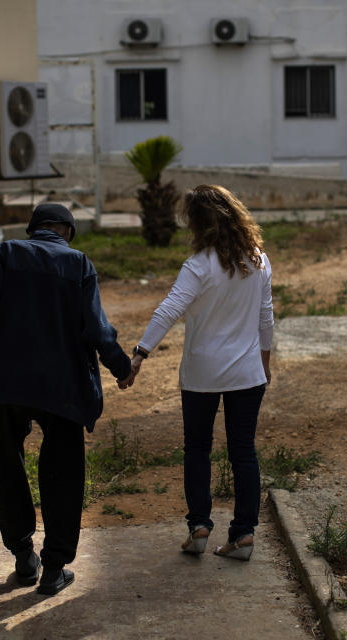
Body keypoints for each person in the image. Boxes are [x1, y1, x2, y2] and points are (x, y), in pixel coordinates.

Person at [0, 203, 134, 595]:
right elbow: (97, 329)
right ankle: (53, 569)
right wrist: (121, 368)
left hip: (7, 384)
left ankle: (22, 557)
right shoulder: (79, 264)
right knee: (63, 469)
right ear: (67, 231)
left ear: (34, 230)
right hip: (62, 389)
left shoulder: (7, 254)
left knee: (8, 460)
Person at [128, 184, 273, 560]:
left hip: (202, 374)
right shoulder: (258, 261)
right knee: (244, 453)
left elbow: (168, 310)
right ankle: (243, 535)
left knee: (197, 449)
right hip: (247, 373)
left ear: (198, 224)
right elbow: (265, 318)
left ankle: (200, 528)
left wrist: (140, 354)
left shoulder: (198, 266)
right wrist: (265, 363)